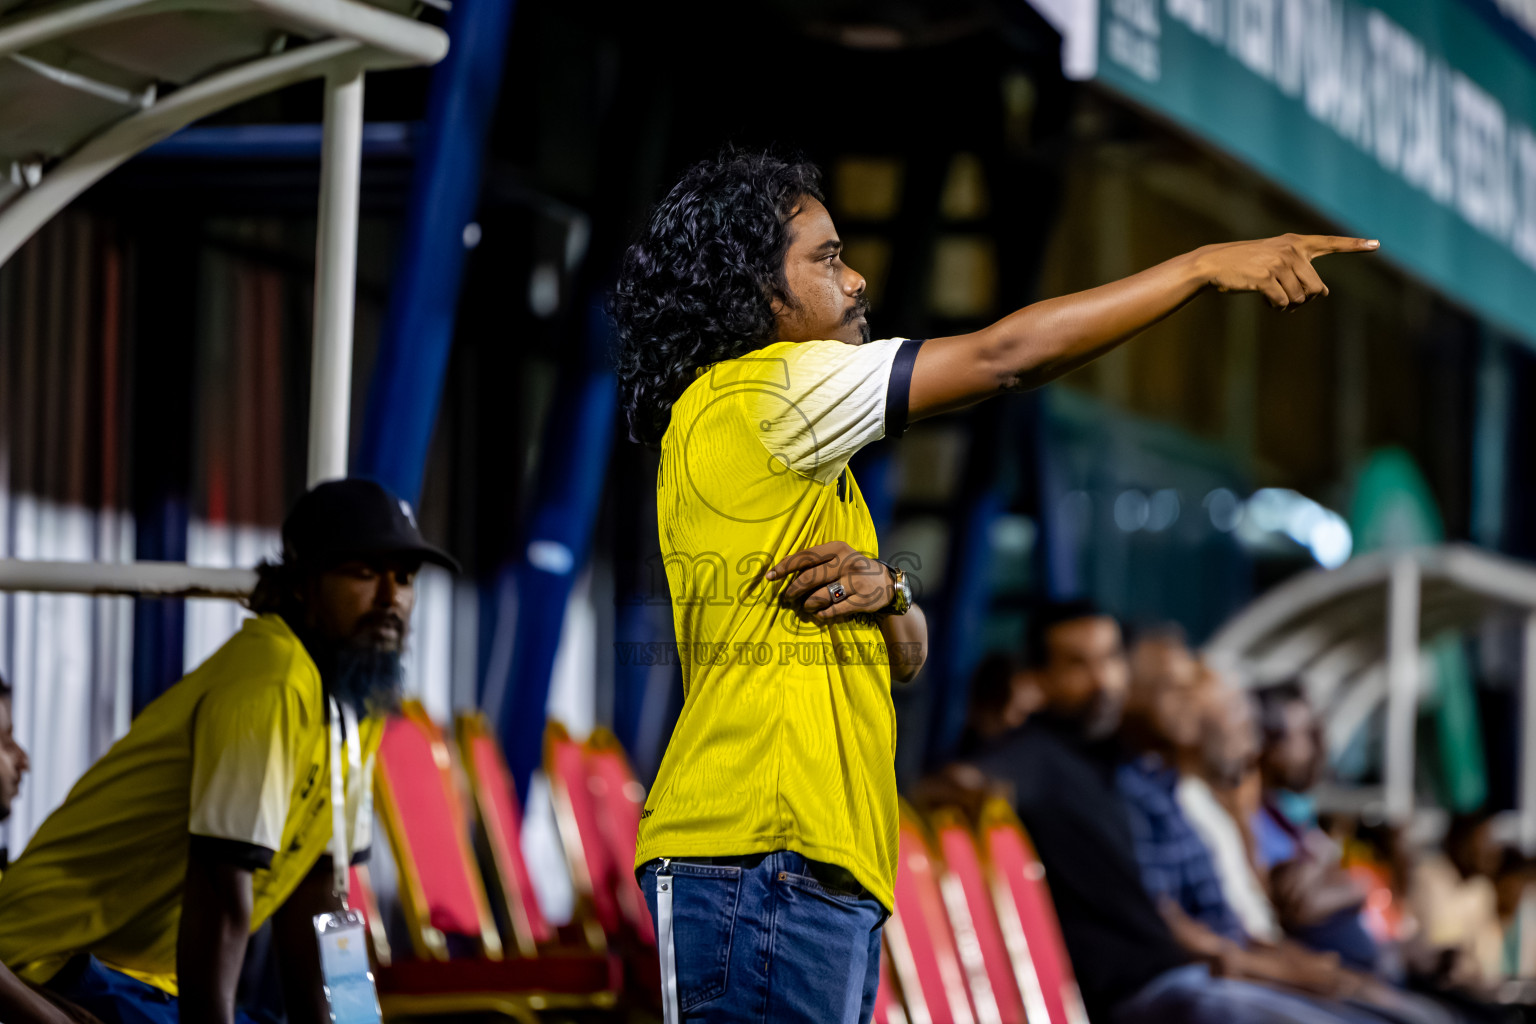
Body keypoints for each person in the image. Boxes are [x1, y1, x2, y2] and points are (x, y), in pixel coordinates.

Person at [611, 147, 1378, 1024]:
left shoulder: (800, 463)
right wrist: (1201, 268)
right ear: (762, 296)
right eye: (825, 258)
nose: (858, 280)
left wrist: (891, 591)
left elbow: (907, 657)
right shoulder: (761, 392)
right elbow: (1005, 356)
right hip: (759, 861)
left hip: (810, 868)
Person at [0, 479, 457, 1024]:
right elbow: (221, 895)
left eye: (405, 578)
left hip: (144, 982)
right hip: (51, 961)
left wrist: (355, 1018)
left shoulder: (358, 706)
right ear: (303, 583)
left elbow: (325, 896)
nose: (392, 597)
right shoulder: (271, 680)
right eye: (363, 572)